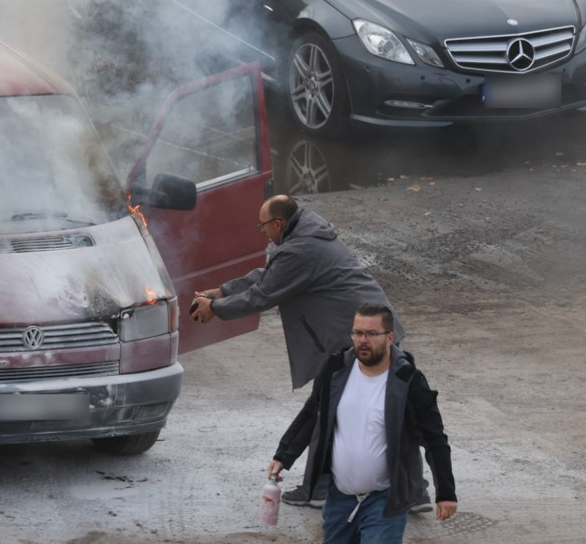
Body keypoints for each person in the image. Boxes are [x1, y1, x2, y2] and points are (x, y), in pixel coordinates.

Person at [189, 194, 419, 509]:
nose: (262, 232)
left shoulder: (300, 248)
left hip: (355, 337)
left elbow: (263, 294)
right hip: (366, 329)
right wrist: (222, 291)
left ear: (278, 223)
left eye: (263, 226)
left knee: (330, 410)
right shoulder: (304, 235)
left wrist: (215, 308)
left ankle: (323, 488)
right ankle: (410, 491)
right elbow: (270, 275)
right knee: (345, 407)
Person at [266, 304, 457, 542]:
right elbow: (312, 414)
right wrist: (284, 455)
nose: (362, 340)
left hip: (386, 501)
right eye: (357, 333)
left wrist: (446, 492)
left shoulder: (408, 381)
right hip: (339, 499)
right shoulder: (335, 369)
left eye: (371, 334)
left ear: (389, 337)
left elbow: (435, 438)